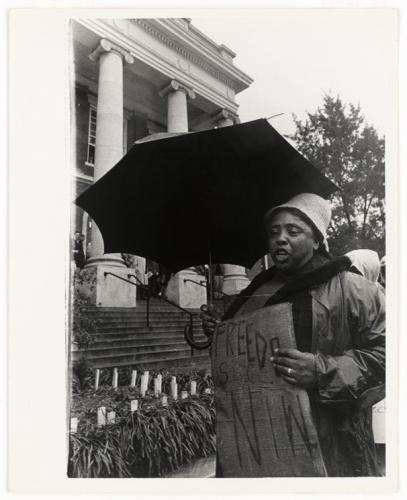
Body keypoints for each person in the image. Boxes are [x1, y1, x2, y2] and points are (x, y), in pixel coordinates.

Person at [201, 193, 385, 477]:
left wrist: (321, 370)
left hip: (329, 450)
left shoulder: (356, 290)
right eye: (274, 233)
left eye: (293, 231)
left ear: (316, 240)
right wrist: (222, 331)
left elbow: (389, 356)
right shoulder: (252, 294)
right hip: (257, 451)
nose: (280, 239)